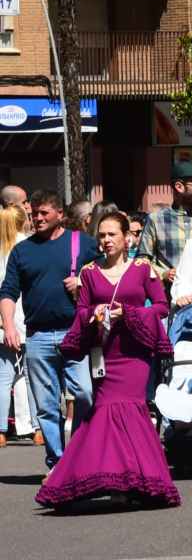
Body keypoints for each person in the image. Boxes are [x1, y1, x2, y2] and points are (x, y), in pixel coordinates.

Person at [35, 212, 179, 509]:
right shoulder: (88, 272)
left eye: (112, 234)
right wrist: (95, 314)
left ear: (127, 238)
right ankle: (107, 477)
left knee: (131, 410)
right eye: (101, 235)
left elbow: (162, 307)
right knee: (103, 410)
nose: (106, 240)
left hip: (135, 353)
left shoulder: (143, 269)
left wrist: (129, 313)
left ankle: (138, 480)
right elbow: (81, 311)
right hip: (104, 353)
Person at [0, 191, 100, 473]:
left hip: (75, 331)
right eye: (34, 213)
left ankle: (79, 453)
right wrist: (9, 326)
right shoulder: (23, 250)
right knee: (46, 406)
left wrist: (83, 281)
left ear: (60, 214)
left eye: (44, 213)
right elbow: (7, 292)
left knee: (84, 394)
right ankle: (58, 463)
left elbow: (106, 276)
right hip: (38, 336)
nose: (37, 219)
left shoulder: (83, 243)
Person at [138, 161, 192, 291]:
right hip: (169, 296)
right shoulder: (156, 220)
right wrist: (163, 274)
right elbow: (142, 260)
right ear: (179, 186)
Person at [0, 205, 32, 447]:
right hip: (27, 317)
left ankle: (1, 430)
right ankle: (32, 426)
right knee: (28, 376)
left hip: (3, 318)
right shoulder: (29, 246)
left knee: (3, 377)